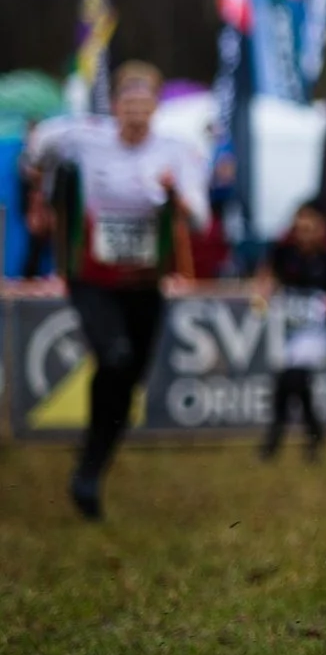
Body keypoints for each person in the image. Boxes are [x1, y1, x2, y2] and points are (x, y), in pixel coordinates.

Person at [21, 62, 206, 520]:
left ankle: (92, 464)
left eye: (145, 104)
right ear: (116, 105)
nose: (135, 114)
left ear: (157, 107)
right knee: (115, 354)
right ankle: (87, 472)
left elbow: (200, 217)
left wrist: (176, 197)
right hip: (92, 278)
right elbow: (37, 146)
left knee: (129, 380)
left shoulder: (177, 149)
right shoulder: (84, 136)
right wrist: (42, 194)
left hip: (145, 282)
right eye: (128, 103)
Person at [252, 202, 326, 461]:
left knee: (293, 379)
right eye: (300, 229)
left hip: (317, 332)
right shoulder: (285, 254)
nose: (304, 234)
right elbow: (267, 275)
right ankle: (313, 434)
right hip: (289, 331)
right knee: (292, 385)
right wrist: (263, 291)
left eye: (310, 229)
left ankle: (275, 439)